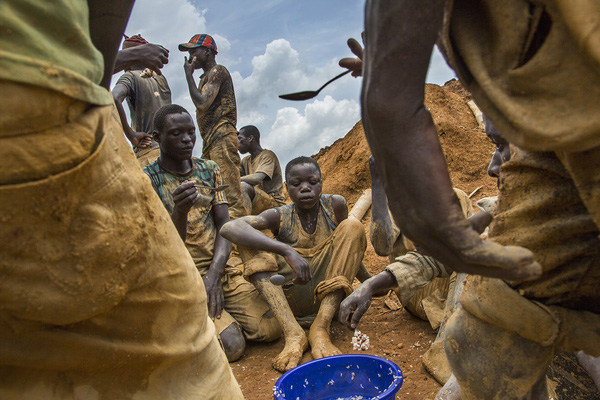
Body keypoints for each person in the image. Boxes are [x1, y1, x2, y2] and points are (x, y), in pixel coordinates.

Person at [347, 9, 600, 393]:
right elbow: (399, 249)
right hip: (426, 293)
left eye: (502, 145)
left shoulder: (470, 201)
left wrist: (390, 88)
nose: (493, 168)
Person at [0, 1, 243, 398]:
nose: (190, 58)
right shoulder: (134, 78)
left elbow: (225, 219)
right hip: (72, 140)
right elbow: (106, 87)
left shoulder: (201, 150)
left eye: (194, 52)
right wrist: (131, 133)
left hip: (71, 136)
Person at [143, 104, 281, 362]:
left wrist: (215, 275)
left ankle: (214, 321)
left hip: (220, 270)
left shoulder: (208, 169)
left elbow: (224, 227)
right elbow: (162, 245)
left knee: (271, 327)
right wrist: (180, 212)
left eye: (190, 132)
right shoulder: (148, 180)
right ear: (157, 137)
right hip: (183, 276)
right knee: (232, 347)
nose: (187, 139)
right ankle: (202, 324)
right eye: (176, 133)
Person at [220, 156, 366, 372]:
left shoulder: (335, 204)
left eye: (312, 182)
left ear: (321, 183)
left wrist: (370, 283)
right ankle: (293, 333)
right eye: (296, 184)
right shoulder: (279, 216)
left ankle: (321, 327)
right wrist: (285, 249)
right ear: (287, 188)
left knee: (353, 226)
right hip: (291, 299)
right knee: (248, 240)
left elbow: (347, 248)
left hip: (327, 298)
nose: (305, 188)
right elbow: (229, 228)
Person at [179, 34, 246, 219]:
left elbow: (201, 103)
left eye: (194, 51)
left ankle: (248, 247)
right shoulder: (206, 77)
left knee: (231, 197)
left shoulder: (218, 71)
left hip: (222, 137)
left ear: (207, 51)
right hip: (211, 141)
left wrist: (188, 75)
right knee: (210, 192)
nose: (191, 56)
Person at [112, 34, 172, 167]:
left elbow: (114, 97)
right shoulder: (161, 79)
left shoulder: (130, 77)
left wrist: (130, 134)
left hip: (148, 154)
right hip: (171, 152)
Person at [237, 125, 286, 215]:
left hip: (274, 203)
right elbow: (235, 175)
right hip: (257, 200)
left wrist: (232, 180)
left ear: (250, 138)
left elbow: (257, 178)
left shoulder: (268, 155)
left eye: (240, 139)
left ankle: (244, 222)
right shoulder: (245, 161)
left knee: (243, 186)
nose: (238, 143)